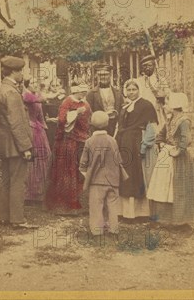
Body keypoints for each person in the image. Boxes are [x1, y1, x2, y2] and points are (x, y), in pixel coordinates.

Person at [0, 56, 36, 229]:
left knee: (6, 180)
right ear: (14, 72)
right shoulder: (12, 93)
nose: (22, 74)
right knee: (17, 181)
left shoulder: (2, 89)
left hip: (3, 144)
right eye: (20, 71)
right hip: (14, 145)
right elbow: (16, 123)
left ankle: (4, 217)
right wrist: (26, 147)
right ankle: (17, 219)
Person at [147, 92, 194, 225]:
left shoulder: (183, 121)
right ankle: (164, 218)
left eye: (167, 104)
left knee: (178, 187)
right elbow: (161, 134)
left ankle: (180, 219)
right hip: (166, 154)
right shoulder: (170, 119)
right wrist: (160, 143)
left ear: (175, 105)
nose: (165, 106)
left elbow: (186, 139)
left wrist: (178, 151)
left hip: (179, 158)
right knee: (162, 186)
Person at [45, 83, 92, 215]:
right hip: (68, 141)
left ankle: (79, 202)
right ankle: (65, 203)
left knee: (80, 170)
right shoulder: (67, 102)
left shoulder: (86, 104)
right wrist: (75, 113)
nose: (83, 94)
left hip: (82, 140)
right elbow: (61, 120)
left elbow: (88, 121)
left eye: (85, 91)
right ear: (75, 91)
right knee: (67, 169)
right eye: (81, 91)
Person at [79, 111, 128, 236]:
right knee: (112, 205)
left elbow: (83, 163)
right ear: (107, 124)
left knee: (96, 205)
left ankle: (96, 230)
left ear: (91, 124)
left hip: (97, 180)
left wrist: (86, 175)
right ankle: (113, 229)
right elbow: (119, 159)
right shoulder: (112, 140)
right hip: (113, 179)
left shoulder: (90, 141)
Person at [116, 80, 159, 221]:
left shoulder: (146, 105)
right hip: (125, 144)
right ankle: (126, 212)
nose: (131, 92)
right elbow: (120, 126)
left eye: (134, 89)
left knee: (137, 174)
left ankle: (141, 213)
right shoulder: (125, 106)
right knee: (125, 174)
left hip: (136, 142)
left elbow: (151, 127)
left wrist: (144, 145)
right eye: (129, 90)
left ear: (139, 90)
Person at [22, 86, 51, 203]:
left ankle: (38, 191)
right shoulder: (25, 95)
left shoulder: (36, 95)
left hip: (39, 131)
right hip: (29, 130)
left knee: (44, 158)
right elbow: (36, 99)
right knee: (32, 161)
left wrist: (45, 127)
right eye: (32, 82)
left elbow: (40, 117)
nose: (35, 84)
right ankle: (28, 194)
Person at [134, 55, 170, 130]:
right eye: (144, 66)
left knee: (158, 130)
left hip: (158, 110)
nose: (147, 68)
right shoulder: (138, 81)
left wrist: (163, 96)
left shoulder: (161, 80)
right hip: (144, 111)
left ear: (154, 66)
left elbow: (168, 95)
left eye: (149, 65)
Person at [86, 64, 123, 136]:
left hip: (114, 127)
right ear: (97, 76)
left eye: (106, 74)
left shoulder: (117, 92)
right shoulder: (91, 93)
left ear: (110, 75)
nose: (103, 77)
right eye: (100, 75)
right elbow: (88, 113)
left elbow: (122, 110)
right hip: (98, 128)